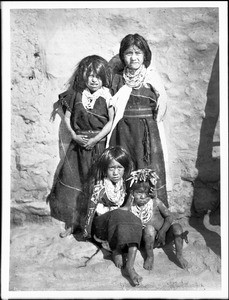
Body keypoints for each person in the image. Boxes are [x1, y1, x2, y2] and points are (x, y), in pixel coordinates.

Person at [48, 55, 114, 238]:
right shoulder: (76, 94)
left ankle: (93, 226)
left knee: (95, 184)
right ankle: (73, 222)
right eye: (90, 75)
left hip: (97, 147)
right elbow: (67, 118)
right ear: (84, 76)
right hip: (77, 147)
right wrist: (75, 136)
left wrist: (96, 139)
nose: (94, 79)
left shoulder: (107, 96)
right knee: (76, 182)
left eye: (98, 76)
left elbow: (110, 122)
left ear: (104, 78)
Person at [107, 33, 169, 207]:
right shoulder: (118, 79)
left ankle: (151, 213)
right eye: (128, 53)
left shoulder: (151, 78)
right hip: (123, 132)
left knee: (146, 168)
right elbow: (110, 104)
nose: (133, 58)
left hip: (146, 133)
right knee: (124, 167)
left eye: (138, 53)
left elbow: (161, 106)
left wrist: (149, 125)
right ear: (122, 55)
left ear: (145, 55)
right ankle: (125, 212)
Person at [83, 146, 143, 286]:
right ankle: (115, 249)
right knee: (118, 214)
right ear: (105, 169)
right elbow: (91, 212)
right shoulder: (100, 187)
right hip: (103, 226)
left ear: (125, 169)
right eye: (111, 168)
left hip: (118, 222)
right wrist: (87, 233)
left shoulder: (123, 185)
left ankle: (130, 267)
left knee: (134, 220)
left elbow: (127, 207)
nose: (116, 172)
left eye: (119, 168)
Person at [125, 168, 189, 271]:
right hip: (144, 241)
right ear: (132, 193)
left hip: (162, 238)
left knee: (177, 228)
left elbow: (169, 217)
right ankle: (150, 256)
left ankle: (179, 255)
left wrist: (163, 231)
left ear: (150, 192)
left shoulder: (155, 202)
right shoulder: (131, 206)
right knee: (149, 229)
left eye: (145, 193)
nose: (142, 196)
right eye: (138, 193)